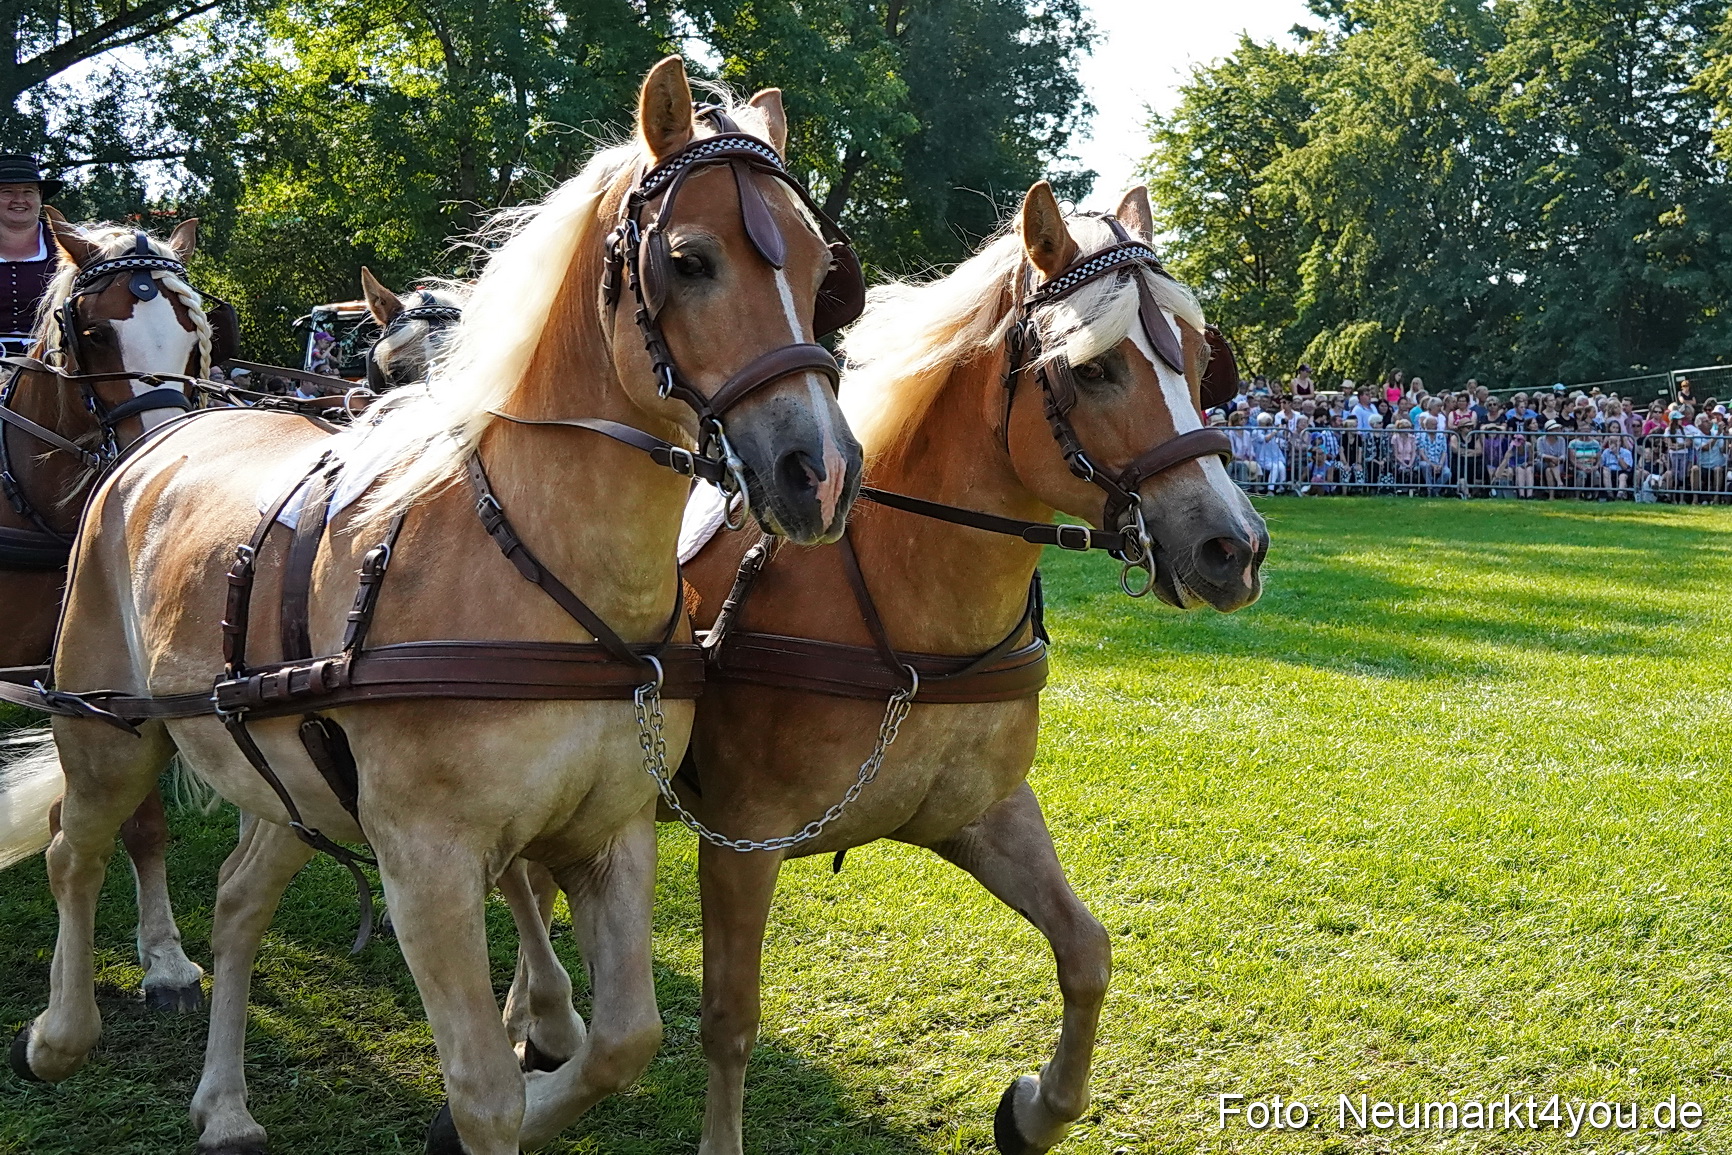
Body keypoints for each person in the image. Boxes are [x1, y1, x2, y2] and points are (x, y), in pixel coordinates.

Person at [0, 155, 64, 357]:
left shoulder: (68, 243)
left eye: (28, 191)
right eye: (7, 192)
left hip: (54, 358)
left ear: (40, 196)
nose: (19, 200)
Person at [1253, 411, 1289, 494]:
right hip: (1263, 458)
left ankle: (1282, 488)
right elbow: (1265, 439)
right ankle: (1270, 489)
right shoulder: (1256, 431)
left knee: (1281, 467)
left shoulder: (1271, 430)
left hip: (1274, 456)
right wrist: (1275, 430)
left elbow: (1284, 435)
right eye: (1267, 423)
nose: (1269, 425)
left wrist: (1285, 425)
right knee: (1275, 467)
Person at [1416, 414, 1452, 495]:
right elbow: (1422, 453)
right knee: (1425, 466)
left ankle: (1435, 490)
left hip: (1438, 463)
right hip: (1426, 462)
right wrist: (1432, 465)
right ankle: (1429, 488)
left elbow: (1444, 452)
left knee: (1447, 472)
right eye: (1433, 424)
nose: (1435, 427)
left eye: (1436, 424)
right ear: (1427, 425)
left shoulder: (1441, 435)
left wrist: (1440, 464)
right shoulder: (1421, 435)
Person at [1538, 421, 1569, 498]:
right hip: (1543, 463)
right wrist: (1552, 458)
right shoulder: (1540, 440)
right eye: (1556, 429)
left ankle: (1551, 496)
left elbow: (1563, 454)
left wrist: (1558, 459)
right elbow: (1540, 454)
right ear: (1549, 430)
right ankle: (1560, 482)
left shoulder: (1561, 440)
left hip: (1558, 463)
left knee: (1549, 470)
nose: (1559, 430)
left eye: (1558, 429)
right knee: (1550, 465)